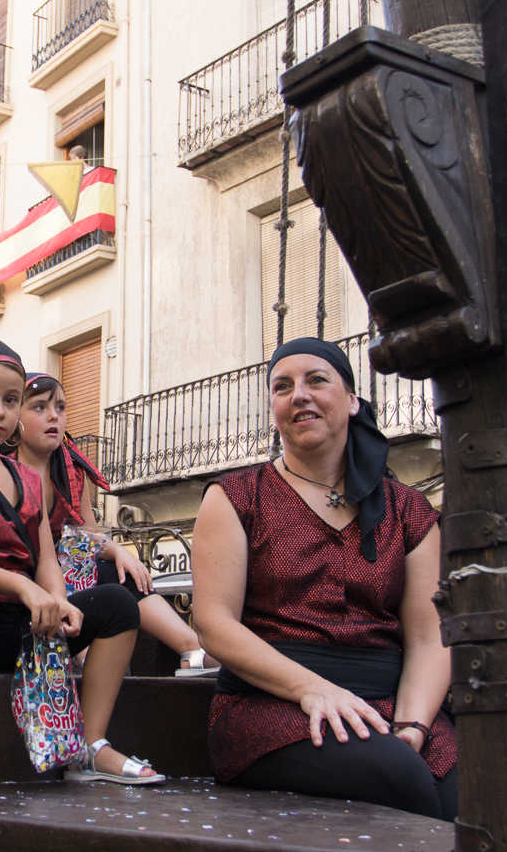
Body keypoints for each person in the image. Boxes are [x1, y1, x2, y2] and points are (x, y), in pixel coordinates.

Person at [191, 337, 455, 820]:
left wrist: (413, 724)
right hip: (269, 707)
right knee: (399, 776)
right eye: (282, 386)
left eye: (317, 380)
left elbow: (429, 637)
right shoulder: (235, 497)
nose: (299, 395)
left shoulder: (408, 510)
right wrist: (314, 689)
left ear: (353, 400)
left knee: (467, 790)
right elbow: (213, 623)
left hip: (389, 705)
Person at [0, 333, 162, 785]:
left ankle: (91, 744)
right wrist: (25, 588)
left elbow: (45, 556)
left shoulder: (27, 478)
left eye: (10, 400)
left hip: (26, 625)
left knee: (118, 606)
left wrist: (59, 599)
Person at [16, 372, 218, 677]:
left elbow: (87, 532)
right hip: (25, 574)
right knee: (76, 557)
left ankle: (191, 649)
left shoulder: (71, 470)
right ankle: (81, 656)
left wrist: (120, 552)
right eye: (39, 408)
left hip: (68, 571)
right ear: (14, 416)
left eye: (60, 407)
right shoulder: (5, 470)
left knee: (119, 570)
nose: (53, 417)